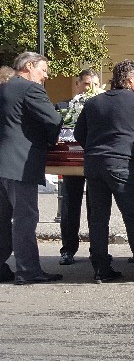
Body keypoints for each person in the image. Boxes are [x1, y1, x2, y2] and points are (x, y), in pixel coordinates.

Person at [75, 59, 134, 283]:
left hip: (94, 164)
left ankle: (101, 269)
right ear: (129, 79)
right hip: (122, 164)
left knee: (98, 218)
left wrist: (95, 148)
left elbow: (79, 134)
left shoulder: (94, 102)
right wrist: (133, 144)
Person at [0, 52, 64, 284]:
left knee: (3, 220)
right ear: (29, 66)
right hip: (20, 163)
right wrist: (51, 141)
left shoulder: (4, 88)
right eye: (43, 70)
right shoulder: (30, 89)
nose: (46, 76)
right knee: (25, 218)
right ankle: (27, 270)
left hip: (4, 163)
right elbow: (53, 119)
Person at [57, 69, 101, 266]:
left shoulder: (102, 105)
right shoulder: (63, 107)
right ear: (78, 84)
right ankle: (68, 250)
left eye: (94, 85)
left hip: (95, 161)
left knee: (96, 207)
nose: (90, 88)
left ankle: (97, 250)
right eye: (86, 84)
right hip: (72, 162)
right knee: (70, 207)